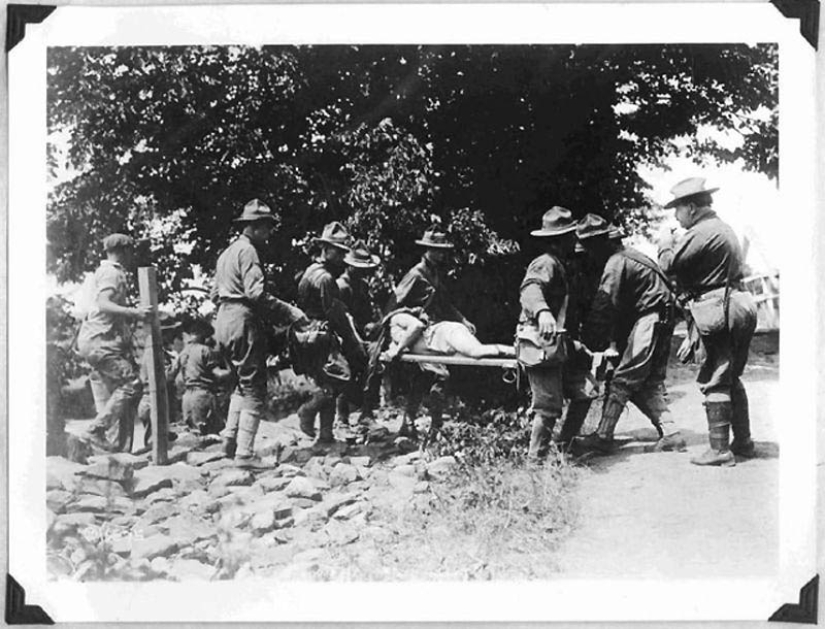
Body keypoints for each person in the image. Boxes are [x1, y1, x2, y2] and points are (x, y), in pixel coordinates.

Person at [657, 177, 757, 467]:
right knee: (730, 374)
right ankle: (743, 442)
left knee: (715, 375)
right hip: (738, 302)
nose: (676, 216)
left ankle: (719, 450)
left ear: (691, 207)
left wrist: (665, 242)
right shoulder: (722, 228)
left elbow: (669, 265)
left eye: (677, 210)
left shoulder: (702, 231)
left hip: (718, 307)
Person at [574, 213, 686, 454]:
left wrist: (586, 344)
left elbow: (604, 306)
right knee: (645, 383)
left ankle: (603, 437)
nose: (589, 252)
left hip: (651, 319)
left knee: (622, 379)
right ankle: (672, 434)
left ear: (602, 242)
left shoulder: (617, 262)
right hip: (659, 319)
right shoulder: (633, 257)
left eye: (590, 246)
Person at [213, 199, 308, 469]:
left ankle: (228, 441)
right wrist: (290, 312)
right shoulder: (249, 252)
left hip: (223, 319)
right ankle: (245, 455)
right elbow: (256, 293)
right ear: (253, 228)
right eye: (266, 228)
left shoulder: (226, 253)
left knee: (241, 383)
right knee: (255, 387)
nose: (268, 234)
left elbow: (214, 293)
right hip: (242, 319)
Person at [518, 207, 595, 462]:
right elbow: (530, 289)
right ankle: (536, 463)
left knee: (585, 391)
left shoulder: (564, 265)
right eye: (571, 236)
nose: (576, 240)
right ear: (559, 240)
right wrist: (542, 312)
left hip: (559, 342)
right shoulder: (545, 263)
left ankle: (564, 447)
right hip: (540, 343)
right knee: (548, 406)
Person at [387, 225, 475, 441]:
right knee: (440, 375)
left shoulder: (435, 274)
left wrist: (463, 320)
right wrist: (409, 319)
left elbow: (444, 303)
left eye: (442, 250)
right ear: (426, 250)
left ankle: (409, 423)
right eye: (436, 249)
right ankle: (436, 426)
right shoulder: (415, 274)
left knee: (421, 376)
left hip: (432, 331)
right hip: (415, 333)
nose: (440, 253)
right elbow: (394, 303)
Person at [77, 233, 151, 452]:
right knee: (132, 385)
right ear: (124, 250)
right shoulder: (112, 273)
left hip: (97, 341)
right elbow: (103, 303)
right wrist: (133, 312)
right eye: (130, 251)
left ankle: (119, 449)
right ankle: (96, 429)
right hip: (100, 342)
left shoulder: (103, 271)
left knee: (121, 396)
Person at [296, 221, 366, 443]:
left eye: (343, 252)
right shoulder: (325, 278)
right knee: (341, 377)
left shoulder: (311, 271)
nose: (341, 256)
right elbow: (334, 313)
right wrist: (352, 340)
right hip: (320, 335)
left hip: (308, 334)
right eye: (338, 251)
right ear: (325, 249)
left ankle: (326, 434)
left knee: (326, 381)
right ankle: (308, 410)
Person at [335, 240, 381, 427]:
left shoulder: (362, 286)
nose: (364, 272)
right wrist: (355, 340)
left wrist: (372, 326)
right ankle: (342, 418)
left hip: (360, 336)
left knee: (377, 361)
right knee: (345, 373)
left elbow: (365, 316)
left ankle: (367, 412)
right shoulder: (340, 286)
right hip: (343, 337)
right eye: (359, 268)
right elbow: (342, 318)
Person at [176, 318, 231, 435]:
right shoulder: (205, 350)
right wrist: (232, 371)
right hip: (202, 396)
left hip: (186, 398)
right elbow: (218, 374)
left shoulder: (183, 352)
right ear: (201, 333)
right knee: (211, 434)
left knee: (194, 434)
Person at [137, 318, 183, 447]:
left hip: (149, 399)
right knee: (156, 444)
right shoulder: (157, 354)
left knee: (156, 440)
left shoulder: (154, 352)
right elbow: (165, 378)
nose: (172, 337)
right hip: (153, 400)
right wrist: (177, 364)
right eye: (169, 333)